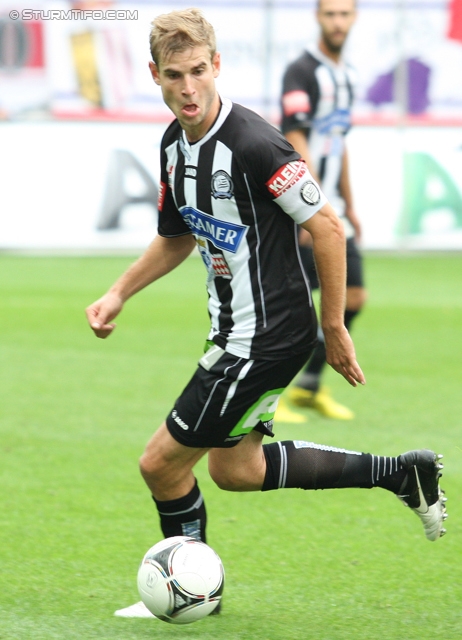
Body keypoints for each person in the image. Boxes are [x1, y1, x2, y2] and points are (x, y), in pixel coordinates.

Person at [85, 8, 447, 619]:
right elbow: (176, 236)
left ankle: (188, 590)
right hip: (234, 332)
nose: (189, 87)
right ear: (155, 75)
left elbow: (327, 228)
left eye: (199, 70)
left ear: (217, 65)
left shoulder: (255, 143)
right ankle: (401, 473)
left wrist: (333, 329)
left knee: (160, 464)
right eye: (175, 75)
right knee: (238, 469)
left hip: (265, 338)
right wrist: (120, 291)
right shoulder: (175, 146)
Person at [280, 0, 366, 420]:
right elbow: (297, 138)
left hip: (335, 212)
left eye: (344, 14)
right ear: (318, 17)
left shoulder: (347, 75)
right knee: (292, 307)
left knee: (353, 296)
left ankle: (309, 388)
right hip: (309, 211)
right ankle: (267, 398)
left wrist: (350, 205)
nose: (337, 21)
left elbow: (339, 142)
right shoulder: (301, 70)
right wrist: (308, 208)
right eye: (330, 13)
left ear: (354, 18)